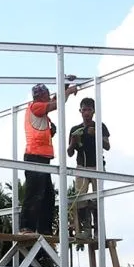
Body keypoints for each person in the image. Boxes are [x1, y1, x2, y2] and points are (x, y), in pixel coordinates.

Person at [19, 80, 79, 235]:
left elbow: (54, 101)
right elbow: (56, 104)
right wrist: (68, 91)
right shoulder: (36, 106)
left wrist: (64, 86)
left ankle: (44, 229)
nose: (49, 96)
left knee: (47, 196)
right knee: (34, 193)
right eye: (47, 94)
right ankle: (26, 227)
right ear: (41, 96)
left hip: (42, 157)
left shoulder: (41, 111)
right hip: (34, 156)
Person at [67, 97, 111, 239]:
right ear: (80, 111)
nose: (86, 113)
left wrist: (97, 135)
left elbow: (107, 146)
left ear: (93, 111)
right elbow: (69, 153)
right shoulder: (75, 129)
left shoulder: (100, 126)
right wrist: (73, 143)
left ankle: (98, 230)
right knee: (80, 198)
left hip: (97, 166)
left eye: (89, 110)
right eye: (84, 110)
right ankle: (86, 229)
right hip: (81, 166)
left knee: (98, 198)